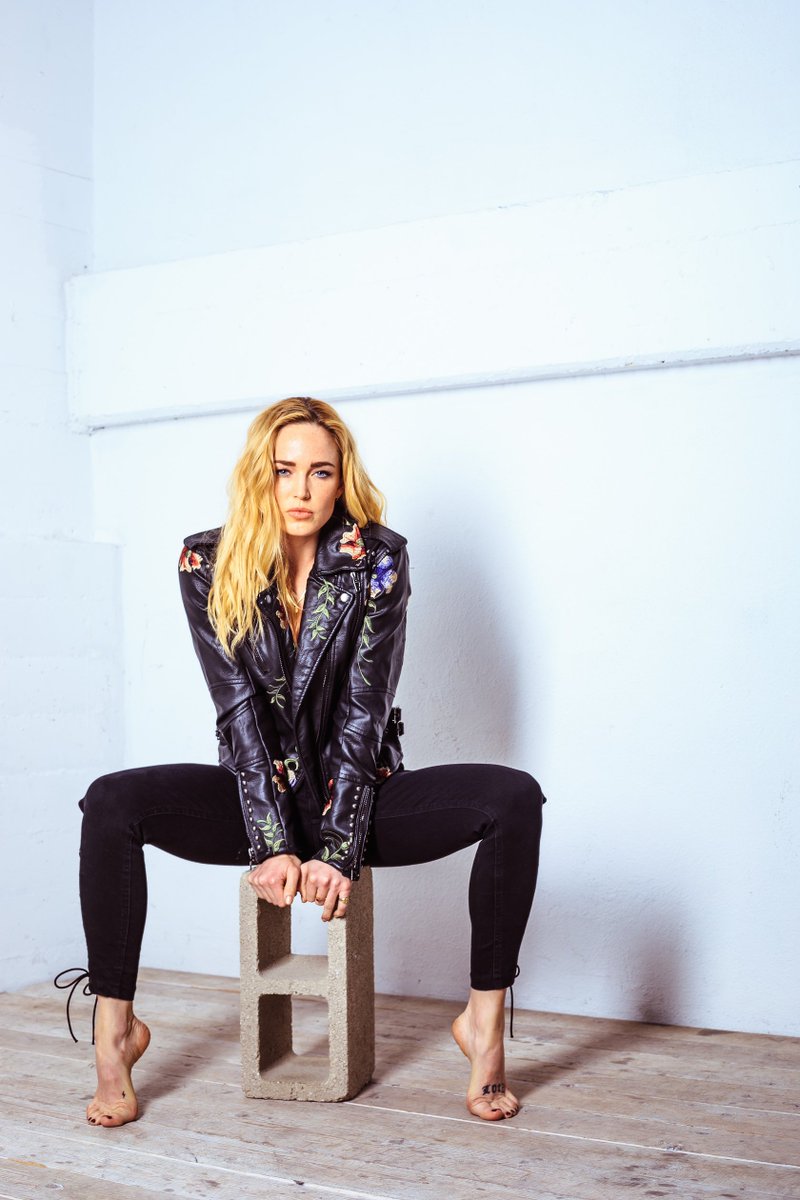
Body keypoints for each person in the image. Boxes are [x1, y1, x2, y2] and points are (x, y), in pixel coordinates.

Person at [61, 396, 545, 1128]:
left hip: (361, 801)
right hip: (258, 800)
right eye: (284, 470)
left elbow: (366, 709)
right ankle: (115, 1033)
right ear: (260, 474)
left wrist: (337, 850)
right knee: (110, 801)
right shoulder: (207, 562)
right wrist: (272, 843)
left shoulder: (376, 559)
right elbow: (236, 710)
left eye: (321, 472)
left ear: (341, 480)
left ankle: (483, 1024)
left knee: (513, 798)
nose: (301, 490)